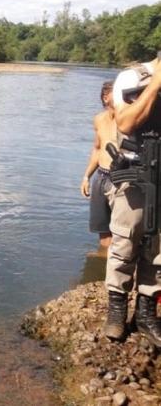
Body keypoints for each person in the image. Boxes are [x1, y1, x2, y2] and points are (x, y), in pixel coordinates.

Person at [104, 58, 161, 345]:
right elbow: (125, 123)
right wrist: (156, 84)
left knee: (158, 249)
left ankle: (146, 312)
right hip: (136, 175)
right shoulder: (131, 78)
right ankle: (116, 311)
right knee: (125, 243)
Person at [80, 81, 116, 254]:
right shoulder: (99, 119)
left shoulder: (130, 119)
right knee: (102, 228)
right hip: (101, 176)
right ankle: (103, 266)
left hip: (121, 177)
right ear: (106, 97)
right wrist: (86, 176)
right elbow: (97, 148)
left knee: (123, 230)